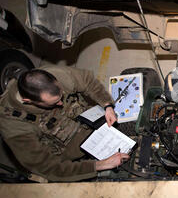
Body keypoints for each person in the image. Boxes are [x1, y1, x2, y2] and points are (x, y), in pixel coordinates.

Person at [0, 65, 130, 182]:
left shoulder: (55, 74)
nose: (61, 103)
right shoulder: (14, 127)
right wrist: (101, 165)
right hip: (71, 150)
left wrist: (107, 105)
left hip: (90, 120)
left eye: (61, 96)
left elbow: (88, 81)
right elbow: (50, 168)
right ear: (28, 101)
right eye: (55, 103)